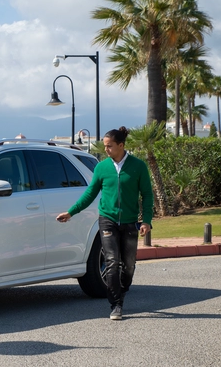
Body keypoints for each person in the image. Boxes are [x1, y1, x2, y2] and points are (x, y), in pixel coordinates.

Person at [56, 127, 153, 321]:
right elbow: (90, 193)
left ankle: (122, 289)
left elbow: (147, 195)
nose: (106, 149)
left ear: (121, 145)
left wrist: (147, 221)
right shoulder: (101, 168)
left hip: (129, 221)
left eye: (109, 146)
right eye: (104, 146)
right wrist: (71, 212)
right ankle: (116, 304)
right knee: (111, 262)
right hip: (107, 220)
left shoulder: (138, 166)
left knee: (129, 266)